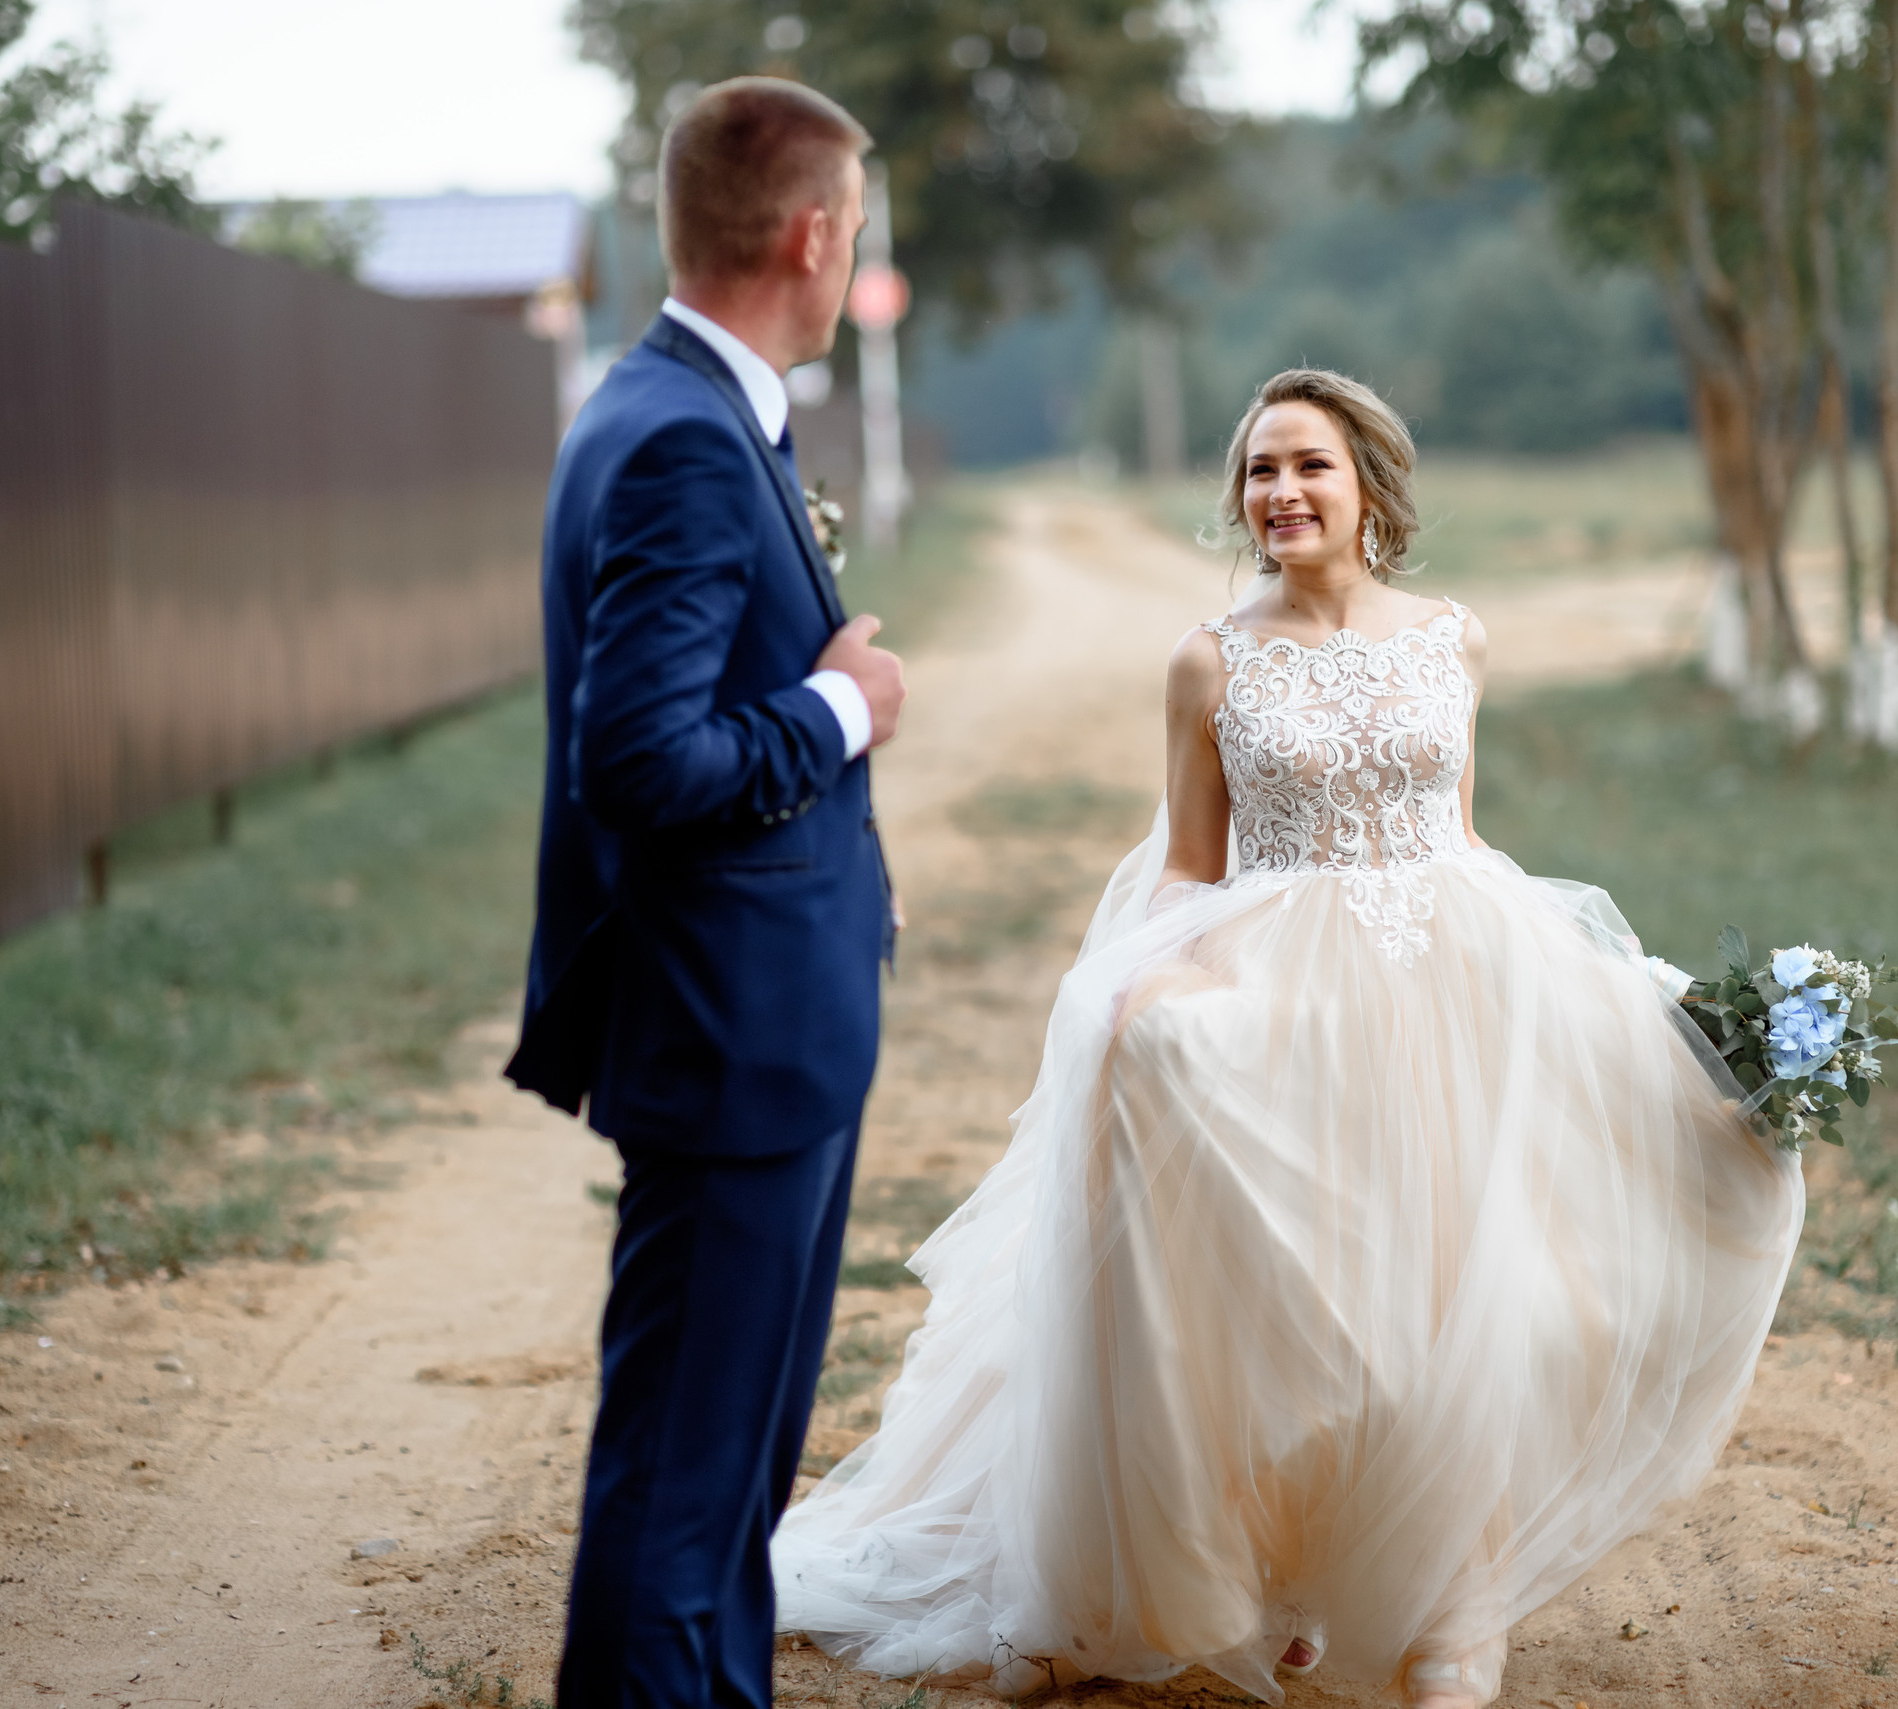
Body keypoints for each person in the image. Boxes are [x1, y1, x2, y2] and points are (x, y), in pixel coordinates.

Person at [770, 370, 1805, 1707]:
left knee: (1468, 1305)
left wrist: (1620, 987)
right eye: (1261, 469)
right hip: (1285, 993)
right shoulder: (1209, 659)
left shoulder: (1455, 639)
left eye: (1310, 465)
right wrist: (1160, 977)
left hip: (1448, 990)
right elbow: (1190, 866)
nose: (1283, 492)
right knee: (1307, 1322)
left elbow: (1460, 833)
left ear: (1369, 483)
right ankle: (1227, 1578)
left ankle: (1455, 1612)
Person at [503, 77, 904, 1709]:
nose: (851, 252)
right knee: (683, 1478)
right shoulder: (678, 435)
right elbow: (640, 759)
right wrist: (841, 707)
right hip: (730, 1033)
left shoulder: (686, 403)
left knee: (732, 1478)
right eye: (853, 226)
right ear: (810, 235)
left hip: (767, 1028)